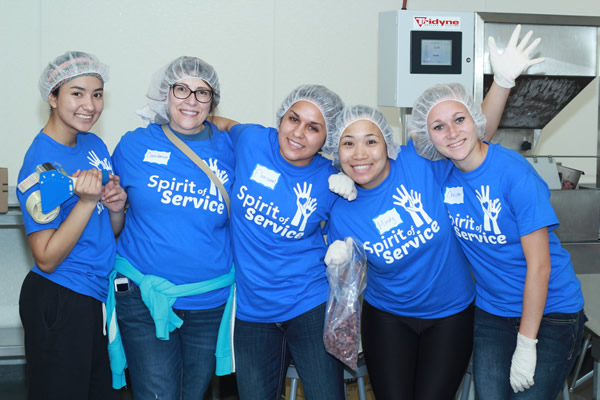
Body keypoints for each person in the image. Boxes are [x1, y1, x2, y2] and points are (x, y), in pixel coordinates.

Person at [323, 25, 544, 400]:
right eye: (348, 145)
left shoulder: (421, 163)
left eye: (371, 141)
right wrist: (339, 257)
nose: (360, 154)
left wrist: (502, 82)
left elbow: (468, 135)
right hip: (388, 316)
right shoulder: (340, 208)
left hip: (452, 314)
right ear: (336, 152)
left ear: (389, 145)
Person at [409, 81, 585, 399]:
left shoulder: (515, 175)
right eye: (438, 126)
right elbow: (383, 161)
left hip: (552, 312)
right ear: (427, 138)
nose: (451, 132)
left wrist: (527, 343)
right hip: (493, 311)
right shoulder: (442, 171)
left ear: (476, 121)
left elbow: (540, 267)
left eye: (459, 120)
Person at [108, 56, 235, 399]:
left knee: (193, 393)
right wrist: (115, 208)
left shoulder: (232, 148)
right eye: (181, 89)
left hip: (210, 301)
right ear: (165, 93)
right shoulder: (132, 146)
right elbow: (111, 222)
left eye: (202, 92)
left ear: (213, 101)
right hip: (142, 296)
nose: (191, 100)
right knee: (158, 393)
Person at [212, 84, 347, 399]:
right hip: (252, 309)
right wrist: (170, 127)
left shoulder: (330, 180)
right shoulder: (253, 140)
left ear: (328, 137)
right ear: (281, 118)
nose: (298, 132)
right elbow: (220, 123)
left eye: (313, 127)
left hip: (309, 302)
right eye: (293, 119)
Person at [16, 51, 126, 400]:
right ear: (52, 97)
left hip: (95, 296)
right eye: (76, 93)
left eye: (96, 94)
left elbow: (106, 232)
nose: (90, 105)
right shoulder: (45, 165)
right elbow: (46, 257)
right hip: (60, 296)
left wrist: (116, 207)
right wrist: (88, 201)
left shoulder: (93, 144)